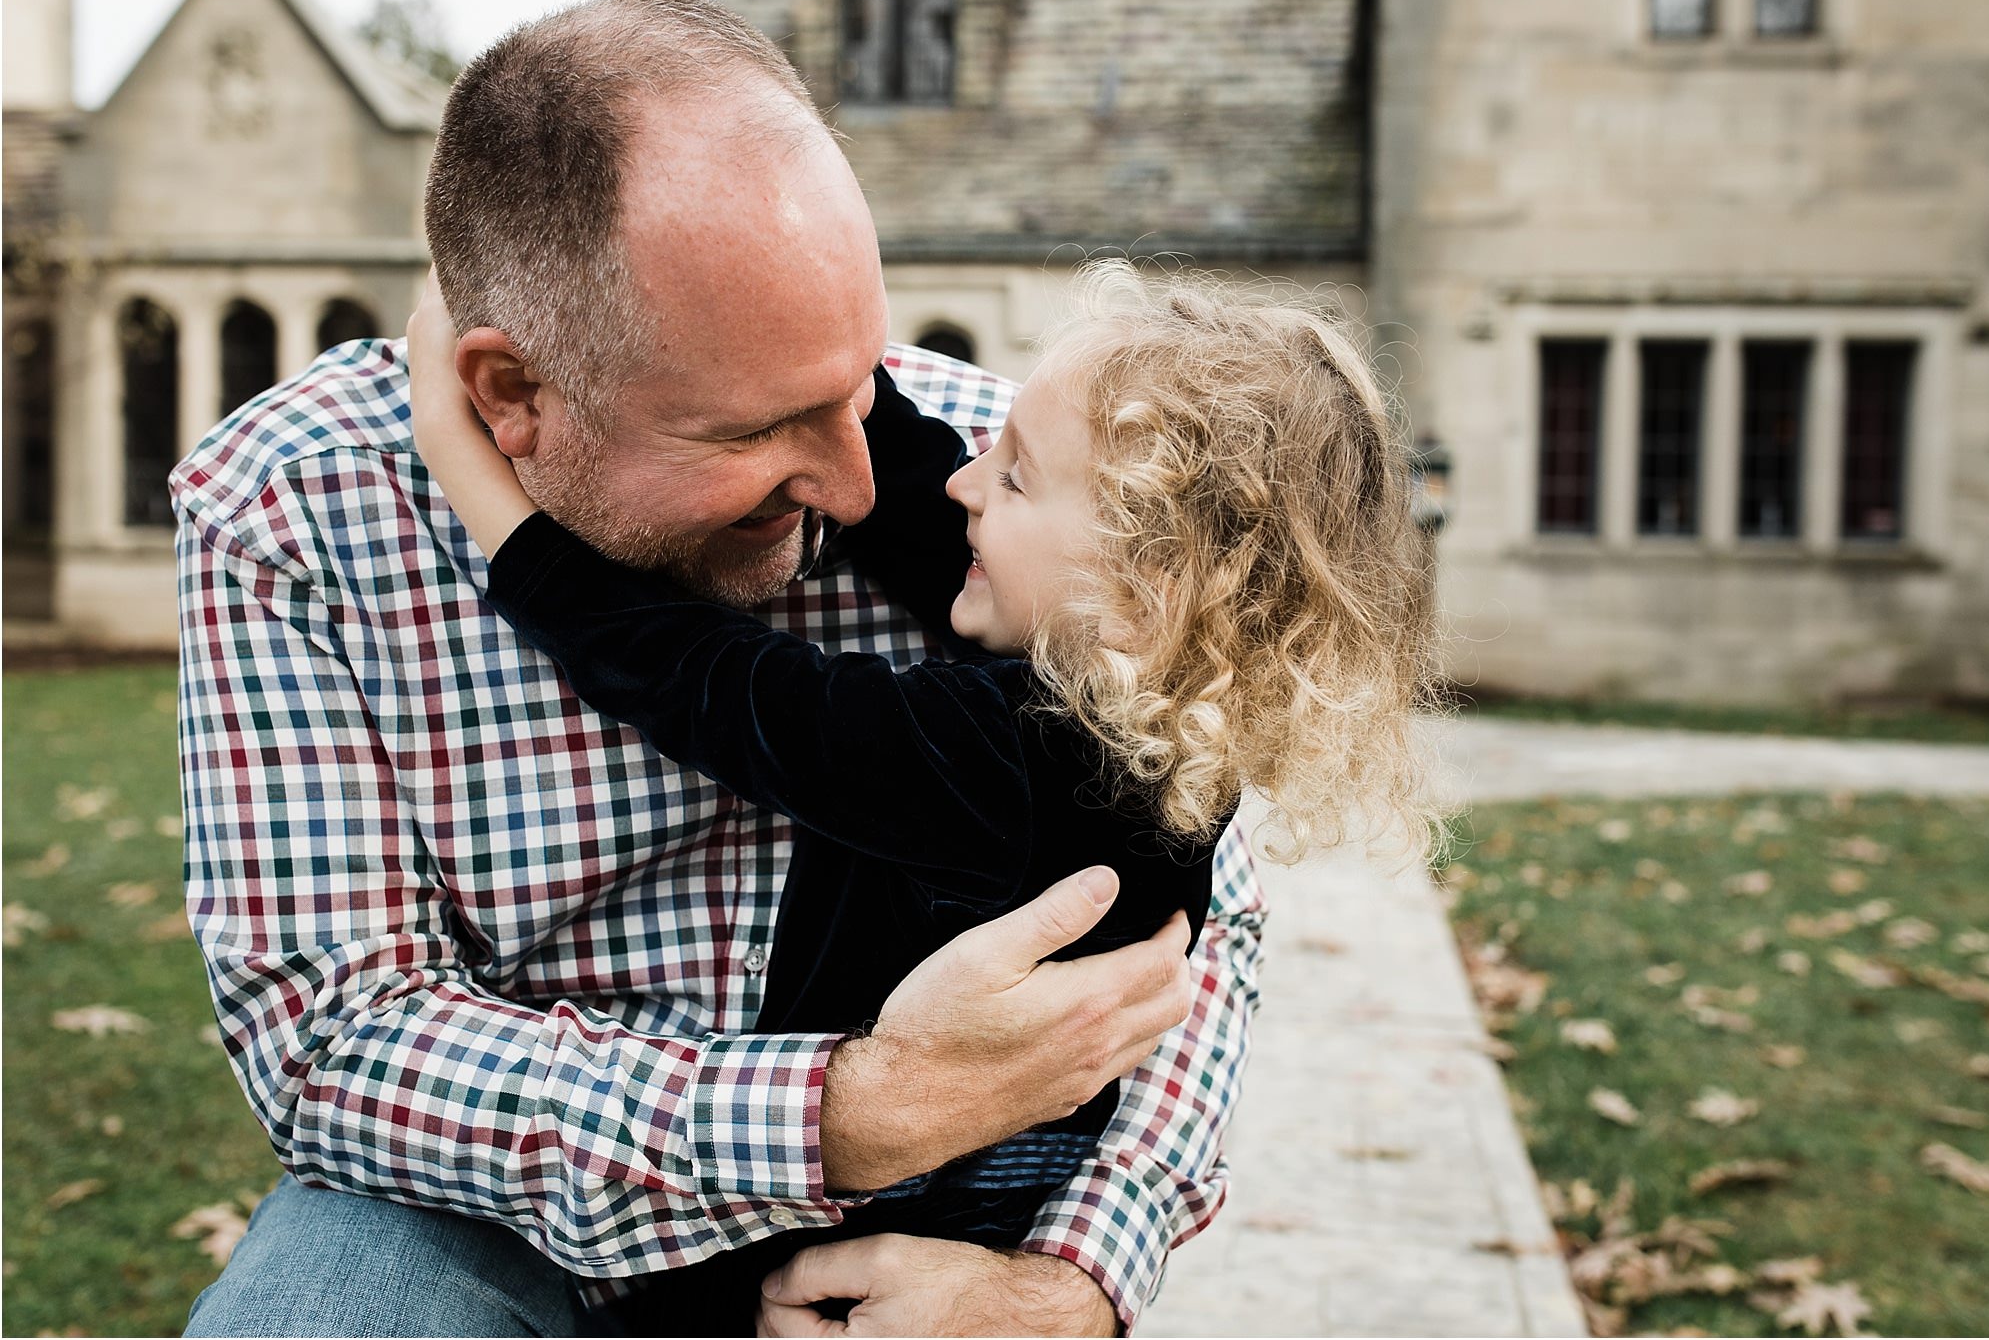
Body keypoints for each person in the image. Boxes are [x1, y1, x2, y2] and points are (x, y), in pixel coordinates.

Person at [173, 0, 1264, 1338]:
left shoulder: (1019, 490)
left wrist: (1071, 1279)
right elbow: (337, 1037)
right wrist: (845, 1112)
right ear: (508, 393)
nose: (868, 485)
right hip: (491, 1207)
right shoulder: (289, 510)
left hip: (946, 1209)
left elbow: (1208, 917)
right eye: (761, 428)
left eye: (859, 380)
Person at [402, 256, 1440, 1335]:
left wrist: (468, 467)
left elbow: (700, 679)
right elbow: (913, 495)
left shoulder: (1010, 764)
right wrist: (812, 349)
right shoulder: (1134, 725)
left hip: (858, 1251)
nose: (964, 484)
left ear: (1145, 583)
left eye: (1015, 475)